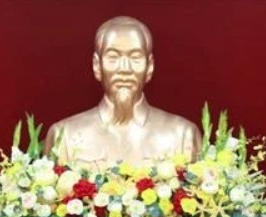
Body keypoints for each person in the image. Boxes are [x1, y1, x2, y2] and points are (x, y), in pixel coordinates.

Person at [44, 15, 201, 166]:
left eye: (135, 57)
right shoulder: (64, 136)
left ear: (150, 66)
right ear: (97, 65)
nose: (125, 69)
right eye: (113, 57)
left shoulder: (182, 135)